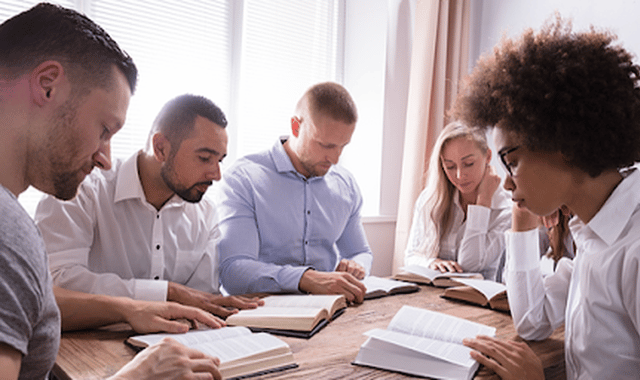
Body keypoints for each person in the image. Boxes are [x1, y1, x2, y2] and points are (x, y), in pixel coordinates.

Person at [454, 16, 640, 380]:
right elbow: (533, 321)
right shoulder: (593, 237)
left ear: (563, 144)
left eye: (513, 162)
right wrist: (522, 221)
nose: (505, 183)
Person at [0, 3, 225, 379]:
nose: (105, 159)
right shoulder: (9, 236)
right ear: (47, 85)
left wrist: (127, 308)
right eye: (104, 129)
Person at [36, 94, 262, 318]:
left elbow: (201, 299)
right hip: (84, 345)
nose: (216, 174)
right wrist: (167, 293)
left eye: (220, 160)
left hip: (174, 341)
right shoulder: (82, 189)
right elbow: (57, 282)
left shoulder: (206, 213)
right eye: (204, 158)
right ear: (161, 148)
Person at [216, 82, 372, 303]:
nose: (335, 159)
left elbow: (361, 252)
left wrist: (357, 266)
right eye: (325, 145)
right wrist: (305, 279)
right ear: (296, 127)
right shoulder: (244, 179)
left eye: (342, 146)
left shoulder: (345, 184)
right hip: (260, 312)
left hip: (330, 310)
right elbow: (232, 272)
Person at [404, 121, 512, 281]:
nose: (460, 176)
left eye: (468, 164)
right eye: (450, 166)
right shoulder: (430, 199)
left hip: (478, 302)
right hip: (433, 297)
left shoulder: (506, 209)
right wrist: (431, 263)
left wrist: (483, 203)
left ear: (488, 156)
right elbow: (411, 257)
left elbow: (470, 265)